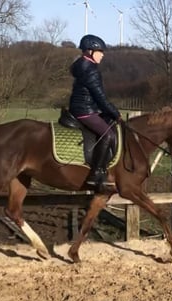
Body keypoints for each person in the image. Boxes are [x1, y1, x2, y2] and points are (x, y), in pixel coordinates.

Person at [69, 34, 122, 190]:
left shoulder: (82, 67)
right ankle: (96, 173)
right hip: (84, 110)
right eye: (100, 51)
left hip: (83, 107)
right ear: (89, 52)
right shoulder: (90, 71)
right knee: (109, 134)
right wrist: (115, 113)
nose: (103, 54)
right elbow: (101, 98)